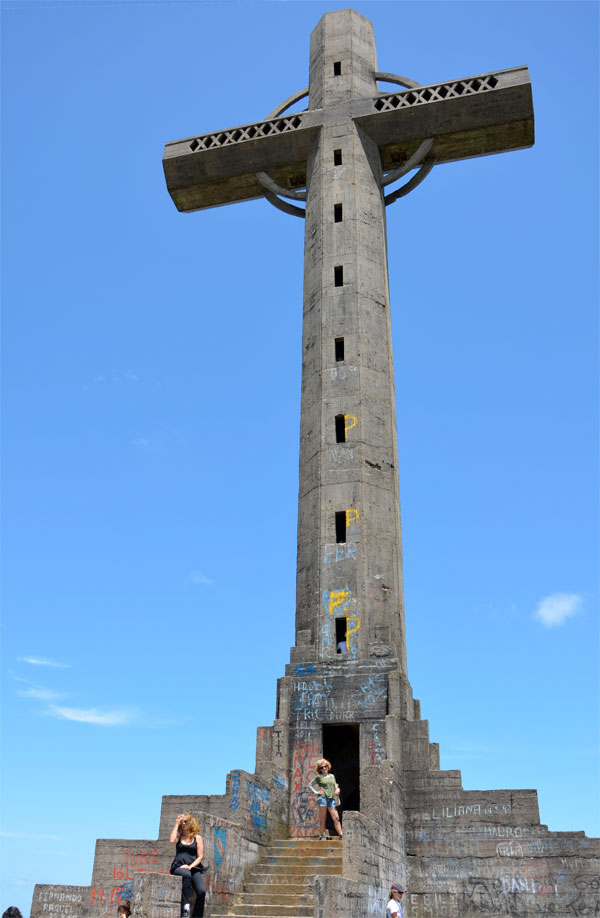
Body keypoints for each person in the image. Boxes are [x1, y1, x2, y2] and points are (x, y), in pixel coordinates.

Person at [169, 812, 206, 918]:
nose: (184, 823)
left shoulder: (197, 838)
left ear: (191, 822)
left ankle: (197, 916)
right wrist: (176, 824)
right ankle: (186, 907)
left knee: (201, 891)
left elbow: (200, 856)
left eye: (186, 821)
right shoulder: (179, 836)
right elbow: (172, 841)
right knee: (186, 874)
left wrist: (190, 867)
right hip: (178, 867)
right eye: (182, 822)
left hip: (193, 868)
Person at [309, 758, 343, 840]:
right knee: (323, 818)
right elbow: (310, 785)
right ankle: (323, 835)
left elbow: (335, 785)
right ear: (319, 769)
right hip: (323, 798)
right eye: (321, 767)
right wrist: (316, 792)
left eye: (325, 766)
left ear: (328, 767)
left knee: (336, 818)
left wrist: (338, 790)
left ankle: (341, 835)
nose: (324, 768)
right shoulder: (318, 777)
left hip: (331, 799)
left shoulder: (332, 776)